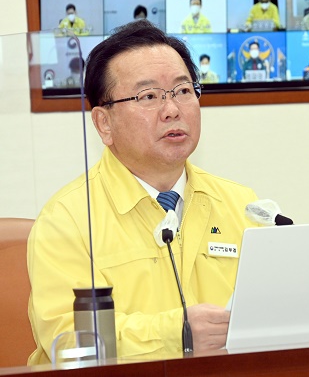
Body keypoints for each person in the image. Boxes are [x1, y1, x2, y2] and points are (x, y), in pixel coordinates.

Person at [27, 20, 258, 364]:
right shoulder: (67, 221)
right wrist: (177, 335)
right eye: (148, 96)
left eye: (183, 91)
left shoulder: (243, 206)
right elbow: (71, 342)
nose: (172, 110)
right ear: (104, 123)